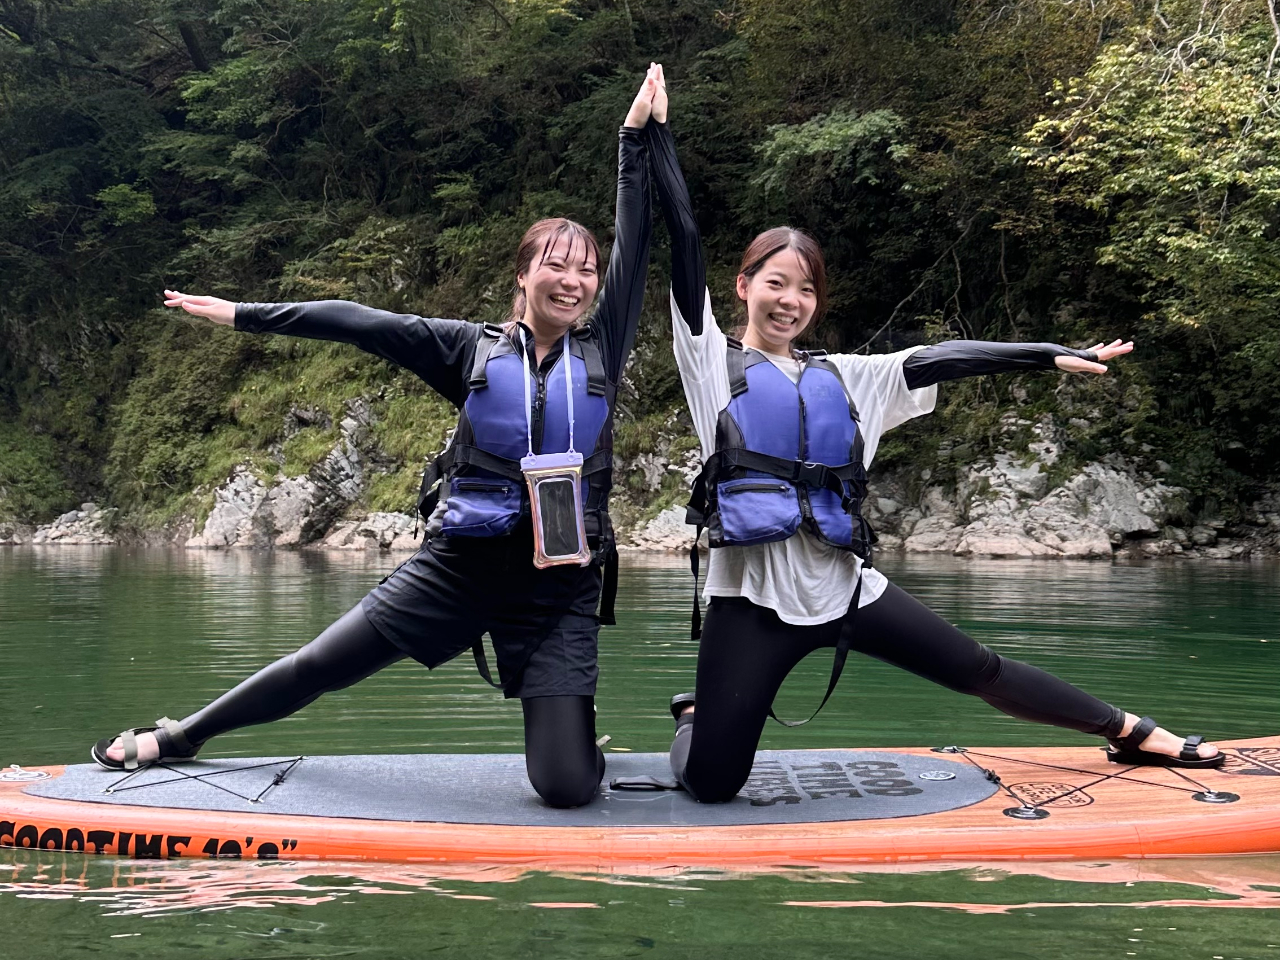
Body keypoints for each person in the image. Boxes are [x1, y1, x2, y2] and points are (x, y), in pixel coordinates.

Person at [639, 69, 1222, 804]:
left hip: (846, 589)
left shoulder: (851, 376)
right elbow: (683, 241)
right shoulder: (708, 364)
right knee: (711, 784)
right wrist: (655, 138)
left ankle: (1132, 731)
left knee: (980, 669)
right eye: (777, 283)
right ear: (744, 286)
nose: (792, 301)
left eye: (808, 288)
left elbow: (945, 356)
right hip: (752, 605)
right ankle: (699, 717)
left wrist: (1047, 355)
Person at [90, 66, 666, 810]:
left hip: (558, 587)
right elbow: (357, 320)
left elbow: (640, 236)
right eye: (555, 266)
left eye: (586, 271)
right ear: (522, 275)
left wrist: (633, 140)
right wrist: (245, 313)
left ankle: (594, 737)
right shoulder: (468, 349)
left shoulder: (603, 349)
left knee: (564, 788)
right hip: (457, 567)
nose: (575, 281)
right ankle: (182, 736)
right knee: (318, 665)